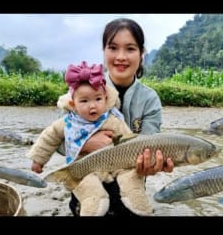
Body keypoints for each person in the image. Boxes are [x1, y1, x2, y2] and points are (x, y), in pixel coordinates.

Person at [68, 17, 174, 216]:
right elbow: (57, 138)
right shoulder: (81, 90)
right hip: (89, 180)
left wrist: (152, 163)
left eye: (130, 49)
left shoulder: (150, 99)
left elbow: (149, 145)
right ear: (104, 51)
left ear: (142, 54)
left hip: (131, 184)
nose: (121, 57)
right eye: (113, 48)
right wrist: (85, 143)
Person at [27, 60, 155, 216]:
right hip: (84, 169)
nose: (92, 106)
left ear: (106, 98)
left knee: (129, 177)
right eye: (84, 101)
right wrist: (38, 160)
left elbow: (130, 141)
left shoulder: (112, 120)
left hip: (115, 167)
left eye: (98, 99)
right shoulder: (68, 122)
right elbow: (48, 138)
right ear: (73, 104)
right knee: (88, 189)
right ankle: (91, 207)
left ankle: (137, 202)